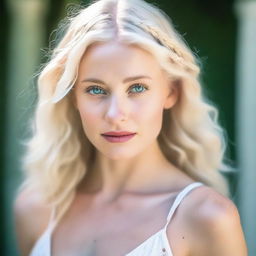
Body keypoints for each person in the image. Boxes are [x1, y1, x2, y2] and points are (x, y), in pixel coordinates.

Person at [14, 0, 247, 255]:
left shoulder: (207, 218)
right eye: (95, 89)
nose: (115, 115)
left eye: (137, 88)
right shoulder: (35, 210)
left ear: (171, 92)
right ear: (73, 98)